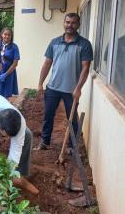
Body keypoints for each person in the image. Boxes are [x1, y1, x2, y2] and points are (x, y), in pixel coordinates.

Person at [36, 13, 93, 150]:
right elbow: (47, 64)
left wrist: (78, 88)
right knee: (48, 115)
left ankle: (72, 146)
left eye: (73, 23)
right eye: (67, 22)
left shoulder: (84, 44)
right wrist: (40, 83)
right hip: (53, 87)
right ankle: (45, 142)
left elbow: (86, 68)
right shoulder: (54, 42)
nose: (70, 25)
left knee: (72, 119)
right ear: (64, 23)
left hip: (71, 90)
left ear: (78, 24)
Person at [0, 27, 20, 98]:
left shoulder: (14, 47)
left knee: (7, 94)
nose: (7, 36)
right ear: (1, 34)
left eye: (9, 35)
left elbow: (15, 63)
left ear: (11, 36)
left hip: (9, 73)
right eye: (5, 34)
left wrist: (5, 74)